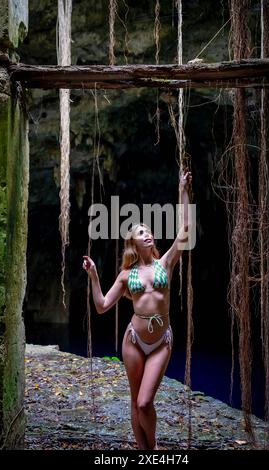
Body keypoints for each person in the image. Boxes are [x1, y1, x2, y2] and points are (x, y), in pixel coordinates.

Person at [83, 169, 192, 450]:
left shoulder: (164, 263)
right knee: (134, 400)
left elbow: (185, 230)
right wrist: (94, 276)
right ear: (133, 242)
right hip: (133, 339)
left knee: (145, 401)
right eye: (142, 233)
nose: (148, 235)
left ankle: (152, 449)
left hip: (160, 341)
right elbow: (102, 306)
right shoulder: (125, 275)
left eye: (149, 232)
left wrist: (182, 190)